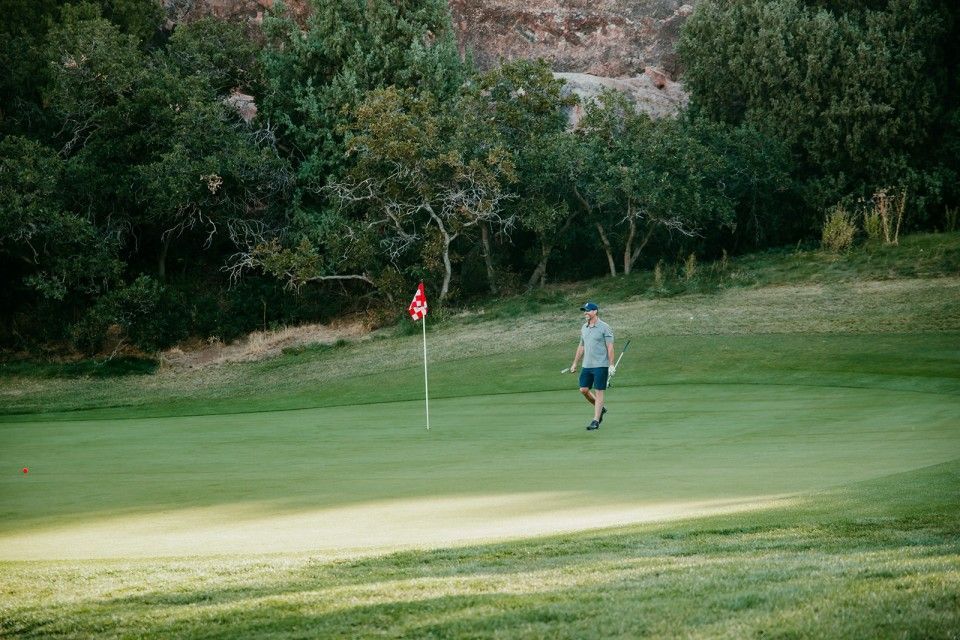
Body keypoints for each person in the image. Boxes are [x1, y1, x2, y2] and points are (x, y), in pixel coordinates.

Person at [568, 301, 615, 430]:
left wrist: (611, 364)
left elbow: (610, 346)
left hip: (601, 365)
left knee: (599, 391)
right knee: (583, 389)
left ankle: (595, 420)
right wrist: (575, 363)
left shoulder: (605, 327)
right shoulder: (584, 327)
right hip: (587, 365)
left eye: (588, 310)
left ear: (595, 312)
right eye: (585, 311)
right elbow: (581, 346)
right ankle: (601, 409)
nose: (585, 313)